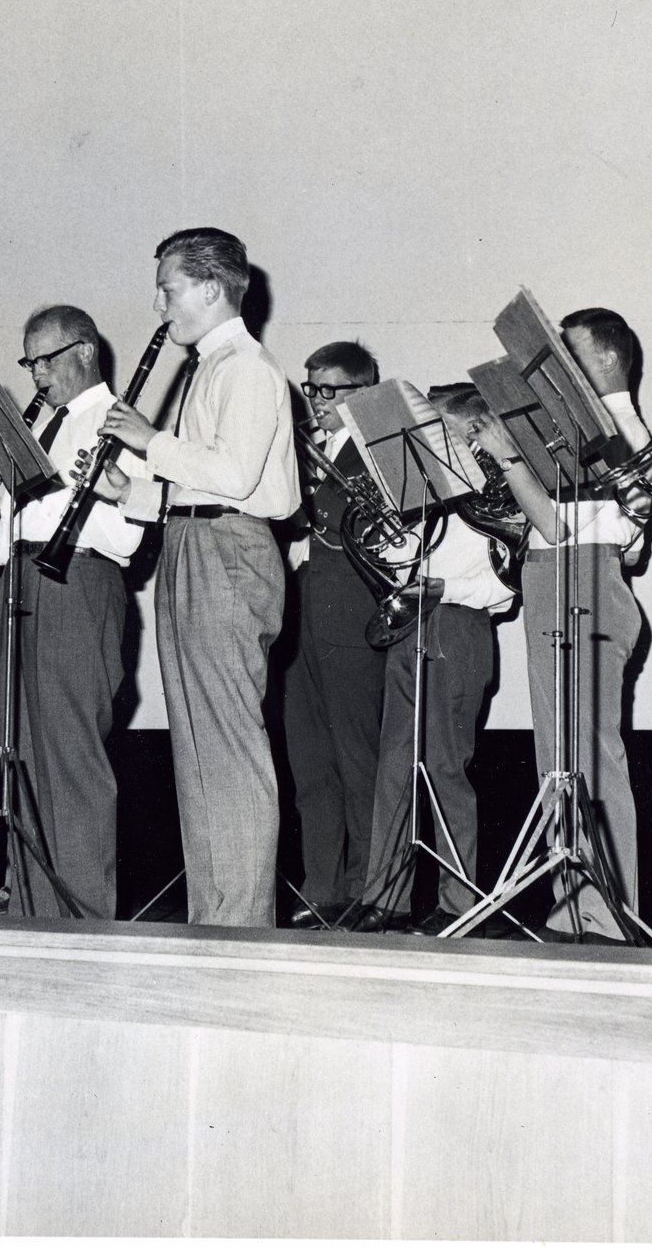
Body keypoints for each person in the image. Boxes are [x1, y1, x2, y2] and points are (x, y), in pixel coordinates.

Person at [95, 227, 297, 928]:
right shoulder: (212, 365)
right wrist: (131, 492)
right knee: (201, 750)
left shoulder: (243, 367)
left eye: (169, 289)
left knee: (228, 750)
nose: (160, 306)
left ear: (211, 289)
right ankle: (217, 916)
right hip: (196, 539)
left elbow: (236, 477)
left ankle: (239, 923)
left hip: (226, 552)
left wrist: (148, 440)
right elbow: (205, 482)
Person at [467, 309, 651, 944]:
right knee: (558, 758)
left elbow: (557, 525)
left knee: (590, 758)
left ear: (602, 361)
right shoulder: (573, 432)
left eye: (566, 355)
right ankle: (573, 905)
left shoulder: (621, 429)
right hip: (553, 581)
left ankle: (607, 910)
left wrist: (509, 457)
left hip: (585, 582)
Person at [0, 305, 144, 919]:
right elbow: (5, 536)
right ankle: (31, 905)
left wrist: (101, 496)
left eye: (44, 359)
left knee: (72, 755)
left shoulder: (119, 422)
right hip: (20, 580)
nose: (36, 373)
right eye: (29, 362)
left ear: (84, 351)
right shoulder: (42, 427)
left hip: (78, 581)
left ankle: (83, 915)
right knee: (20, 748)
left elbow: (129, 537)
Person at [356, 384, 517, 935]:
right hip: (412, 622)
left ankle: (459, 900)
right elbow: (403, 560)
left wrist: (440, 571)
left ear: (472, 433)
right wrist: (388, 533)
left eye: (440, 433)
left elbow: (490, 569)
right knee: (394, 766)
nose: (430, 445)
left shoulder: (494, 492)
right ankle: (385, 896)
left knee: (446, 766)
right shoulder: (427, 493)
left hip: (459, 622)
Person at [280, 341, 386, 929]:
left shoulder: (375, 454)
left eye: (329, 392)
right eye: (310, 389)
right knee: (311, 763)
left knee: (358, 760)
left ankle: (369, 888)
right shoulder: (305, 453)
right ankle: (321, 886)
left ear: (363, 394)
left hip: (350, 623)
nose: (315, 402)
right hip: (302, 622)